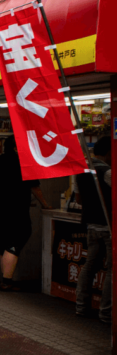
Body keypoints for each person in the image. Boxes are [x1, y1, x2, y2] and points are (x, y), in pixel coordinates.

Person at [0, 135, 51, 291]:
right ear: (16, 148)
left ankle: (6, 279)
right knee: (21, 235)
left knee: (4, 242)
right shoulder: (25, 164)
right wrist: (45, 205)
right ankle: (6, 280)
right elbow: (35, 187)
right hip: (18, 209)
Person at [75, 139, 112, 324]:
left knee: (90, 265)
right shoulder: (108, 172)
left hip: (90, 225)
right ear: (109, 152)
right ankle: (106, 313)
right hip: (108, 227)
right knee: (112, 270)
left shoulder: (81, 171)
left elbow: (79, 199)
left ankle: (81, 306)